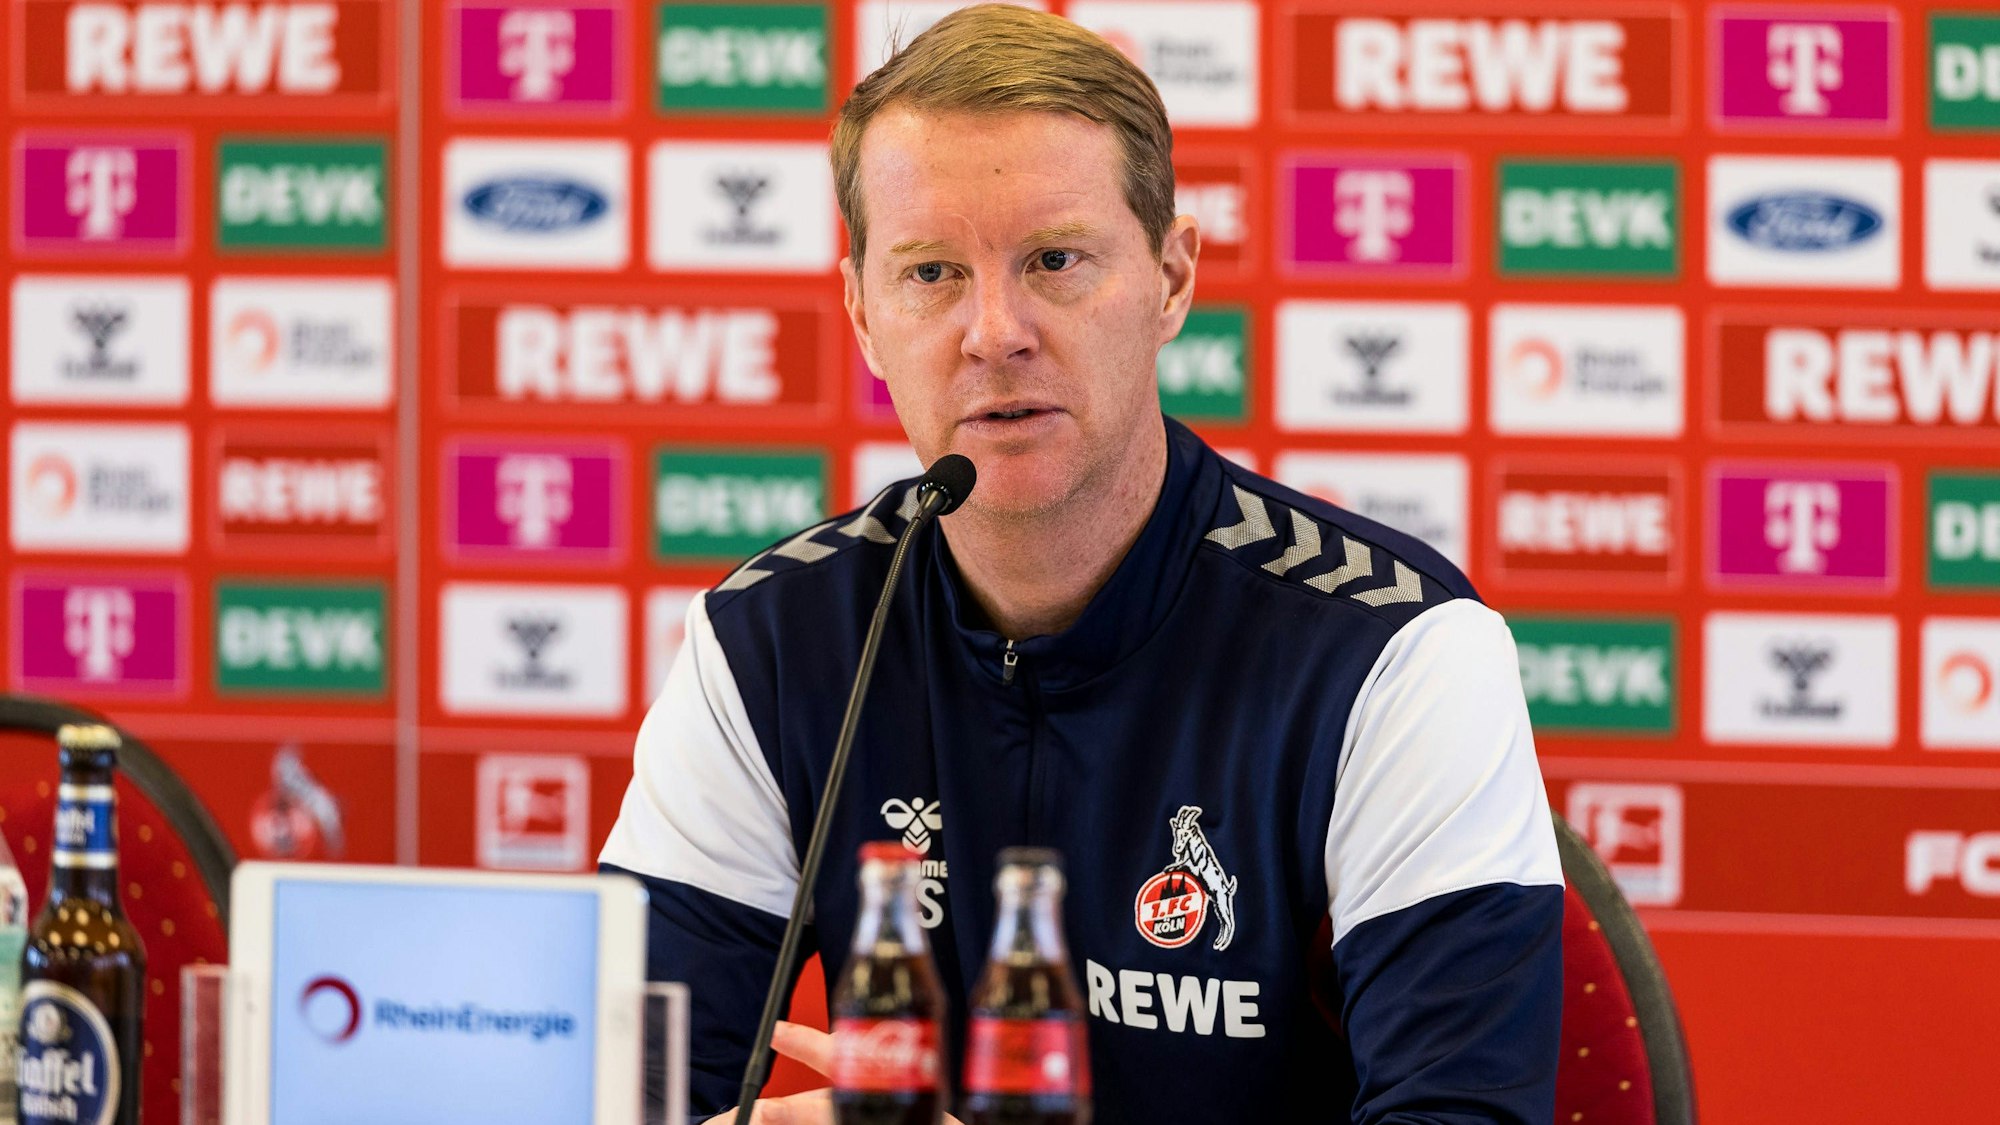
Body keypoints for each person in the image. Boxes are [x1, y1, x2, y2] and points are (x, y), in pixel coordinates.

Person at [599, 5, 1564, 1122]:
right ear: (862, 312)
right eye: (930, 273)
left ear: (1171, 278)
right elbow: (620, 1091)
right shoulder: (771, 642)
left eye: (1055, 261)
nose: (993, 332)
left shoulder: (1391, 652)